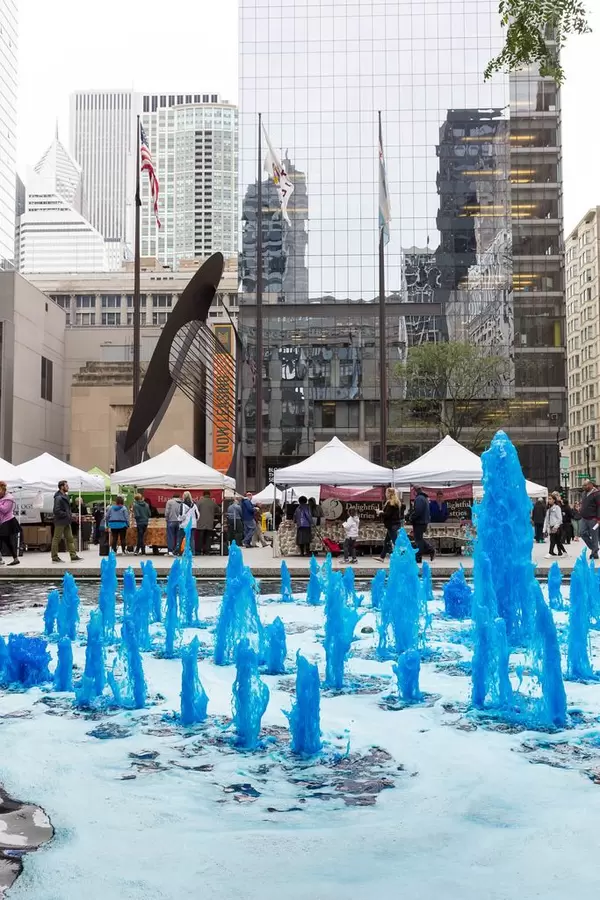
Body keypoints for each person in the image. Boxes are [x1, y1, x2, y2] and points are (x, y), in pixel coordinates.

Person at [51, 480, 83, 563]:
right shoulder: (58, 497)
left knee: (70, 538)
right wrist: (67, 515)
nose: (68, 487)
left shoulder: (64, 496)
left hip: (66, 521)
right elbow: (56, 510)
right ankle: (54, 557)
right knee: (56, 539)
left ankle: (73, 555)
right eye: (66, 485)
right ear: (62, 487)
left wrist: (70, 515)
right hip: (61, 521)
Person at [411, 485, 435, 564]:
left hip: (419, 522)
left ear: (415, 490)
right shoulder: (424, 498)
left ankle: (420, 555)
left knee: (418, 540)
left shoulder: (419, 499)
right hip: (423, 521)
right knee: (419, 539)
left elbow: (418, 511)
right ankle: (428, 551)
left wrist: (411, 517)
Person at [378, 487, 402, 561]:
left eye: (386, 493)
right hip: (395, 524)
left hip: (391, 525)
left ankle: (403, 556)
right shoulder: (396, 502)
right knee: (387, 541)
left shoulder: (390, 503)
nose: (385, 494)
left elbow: (388, 514)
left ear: (389, 494)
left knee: (396, 542)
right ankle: (382, 557)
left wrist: (380, 513)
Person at [579, 479, 600, 560]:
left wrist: (598, 518)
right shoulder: (584, 493)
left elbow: (599, 507)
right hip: (584, 518)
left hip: (593, 519)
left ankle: (594, 553)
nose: (584, 487)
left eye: (585, 485)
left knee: (594, 536)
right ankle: (594, 548)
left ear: (591, 485)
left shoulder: (597, 494)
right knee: (582, 533)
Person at [0, 482, 19, 566]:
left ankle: (1, 559)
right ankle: (15, 558)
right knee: (7, 541)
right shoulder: (1, 498)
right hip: (3, 522)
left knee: (2, 540)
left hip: (8, 522)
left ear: (3, 490)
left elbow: (4, 510)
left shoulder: (9, 498)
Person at [196, 491, 216, 555]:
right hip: (209, 523)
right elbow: (219, 509)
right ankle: (207, 551)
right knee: (208, 537)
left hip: (200, 523)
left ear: (203, 494)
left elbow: (195, 510)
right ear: (209, 495)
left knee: (200, 538)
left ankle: (199, 551)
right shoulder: (212, 502)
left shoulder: (199, 502)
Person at [165, 492, 182, 556]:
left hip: (171, 520)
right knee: (178, 537)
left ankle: (170, 551)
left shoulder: (169, 502)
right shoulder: (182, 502)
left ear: (173, 496)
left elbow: (167, 511)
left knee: (170, 536)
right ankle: (177, 551)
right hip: (179, 521)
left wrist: (166, 518)